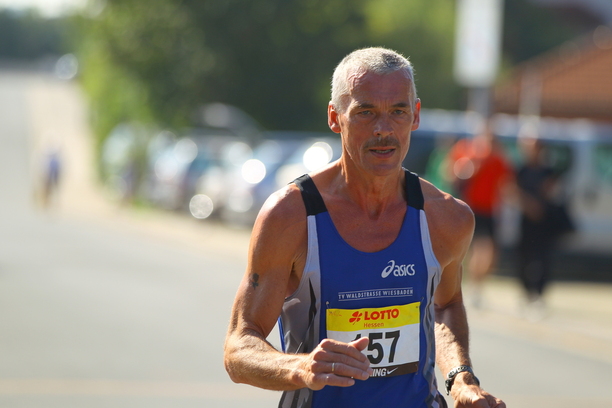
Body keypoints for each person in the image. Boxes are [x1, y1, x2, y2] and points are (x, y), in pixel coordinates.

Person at [224, 47, 505, 408]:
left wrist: (461, 379)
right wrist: (299, 367)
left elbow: (446, 305)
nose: (383, 129)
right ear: (335, 117)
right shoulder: (290, 216)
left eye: (398, 112)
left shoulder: (446, 217)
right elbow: (239, 347)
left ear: (416, 115)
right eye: (365, 112)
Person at [446, 124, 513, 307]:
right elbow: (453, 175)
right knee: (478, 251)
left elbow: (506, 184)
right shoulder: (467, 151)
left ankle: (476, 287)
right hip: (470, 207)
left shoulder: (498, 159)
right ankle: (472, 288)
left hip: (489, 210)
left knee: (487, 253)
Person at [515, 135, 570, 318]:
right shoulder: (521, 170)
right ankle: (526, 293)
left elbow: (555, 190)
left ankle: (539, 294)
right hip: (526, 219)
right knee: (524, 256)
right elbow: (512, 190)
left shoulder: (548, 171)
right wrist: (528, 205)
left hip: (545, 221)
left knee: (543, 258)